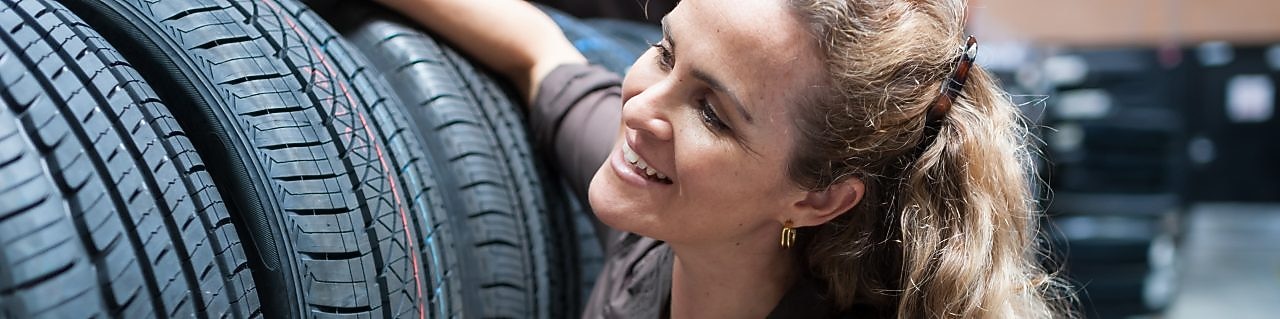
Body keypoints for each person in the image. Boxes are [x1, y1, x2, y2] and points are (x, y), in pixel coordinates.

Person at [376, 0, 1073, 317]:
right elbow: (540, 50)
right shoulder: (656, 228)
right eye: (666, 52)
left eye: (711, 112)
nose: (641, 108)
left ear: (818, 198)